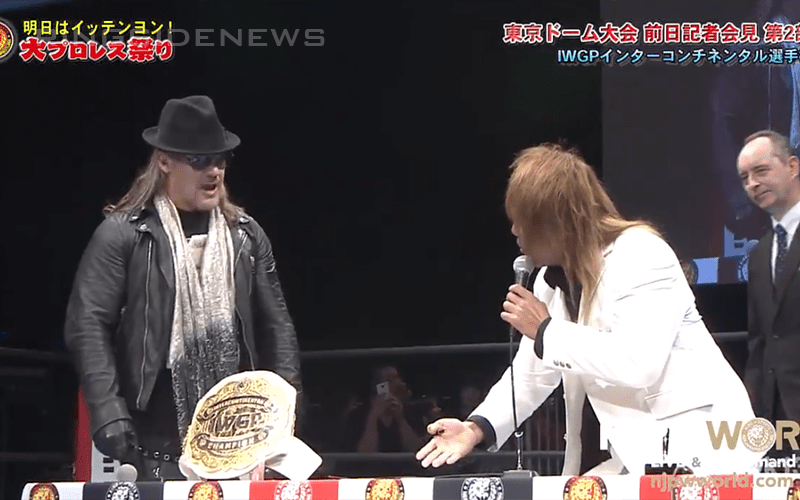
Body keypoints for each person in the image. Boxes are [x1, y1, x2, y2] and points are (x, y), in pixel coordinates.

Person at [416, 143, 762, 476]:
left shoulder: (641, 254)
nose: (515, 231)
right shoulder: (550, 280)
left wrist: (546, 331)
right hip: (638, 456)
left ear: (555, 221)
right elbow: (530, 375)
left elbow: (638, 362)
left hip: (704, 446)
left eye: (523, 221)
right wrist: (476, 428)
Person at [63, 95, 303, 480]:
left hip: (240, 436)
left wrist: (285, 410)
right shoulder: (124, 234)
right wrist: (107, 410)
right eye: (199, 160)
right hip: (154, 437)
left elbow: (277, 327)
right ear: (164, 161)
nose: (214, 171)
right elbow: (87, 324)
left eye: (221, 160)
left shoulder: (245, 236)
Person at [738, 130, 800, 470]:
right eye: (745, 177)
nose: (752, 184)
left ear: (792, 166)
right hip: (776, 425)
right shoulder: (760, 254)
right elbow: (760, 342)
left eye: (761, 171)